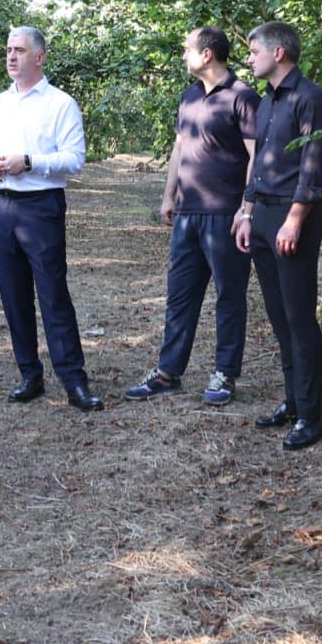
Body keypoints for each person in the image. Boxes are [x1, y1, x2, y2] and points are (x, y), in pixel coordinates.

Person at [125, 27, 258, 406]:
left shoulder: (242, 96)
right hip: (187, 213)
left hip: (225, 215)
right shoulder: (189, 95)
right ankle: (168, 372)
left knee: (229, 296)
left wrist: (246, 209)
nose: (184, 55)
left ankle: (225, 373)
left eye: (187, 49)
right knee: (180, 295)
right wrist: (169, 196)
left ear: (207, 54)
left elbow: (257, 157)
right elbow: (180, 148)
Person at [0, 26, 101, 412]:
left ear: (40, 57)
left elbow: (74, 159)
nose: (11, 56)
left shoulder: (61, 104)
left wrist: (27, 162)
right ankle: (30, 374)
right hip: (0, 206)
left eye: (20, 50)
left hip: (40, 207)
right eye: (8, 49)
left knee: (52, 294)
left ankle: (73, 380)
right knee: (13, 295)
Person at [237, 20, 322, 450]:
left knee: (299, 316)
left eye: (254, 51)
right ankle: (293, 402)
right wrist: (247, 211)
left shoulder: (310, 98)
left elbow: (314, 164)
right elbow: (260, 162)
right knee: (278, 316)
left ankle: (310, 416)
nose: (249, 59)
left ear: (278, 52)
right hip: (262, 215)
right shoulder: (266, 101)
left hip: (293, 216)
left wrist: (295, 218)